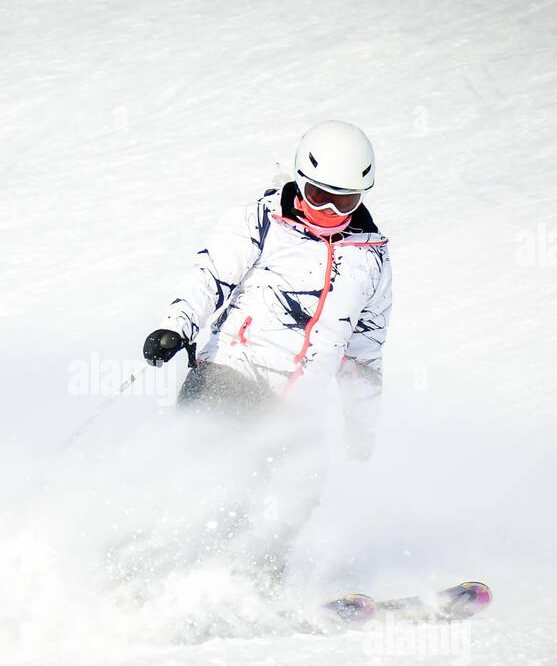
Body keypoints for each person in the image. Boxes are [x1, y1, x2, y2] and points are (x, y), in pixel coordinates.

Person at [142, 120, 391, 461]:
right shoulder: (262, 222)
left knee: (297, 498)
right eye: (320, 197)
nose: (330, 212)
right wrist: (176, 325)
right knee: (221, 481)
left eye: (345, 201)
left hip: (296, 412)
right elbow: (210, 276)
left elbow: (364, 353)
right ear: (301, 183)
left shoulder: (371, 259)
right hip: (230, 376)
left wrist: (359, 428)